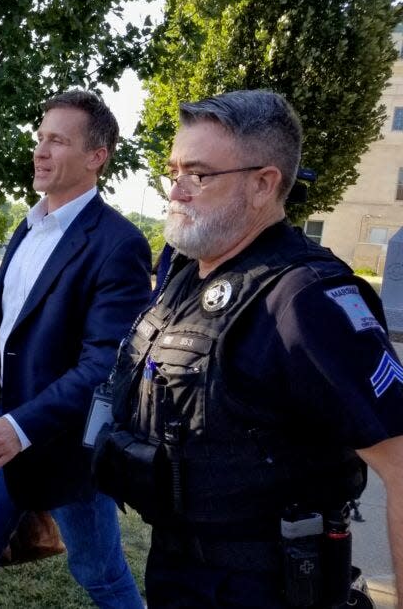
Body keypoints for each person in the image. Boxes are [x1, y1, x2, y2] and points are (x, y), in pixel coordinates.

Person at [92, 89, 403, 607]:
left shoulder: (305, 298)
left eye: (199, 174)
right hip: (179, 572)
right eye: (174, 172)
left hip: (266, 587)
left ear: (264, 184)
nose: (177, 190)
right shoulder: (187, 276)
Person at [0, 90, 151, 609]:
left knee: (99, 572)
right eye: (40, 138)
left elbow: (106, 364)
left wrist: (24, 425)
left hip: (66, 444)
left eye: (58, 141)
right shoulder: (27, 227)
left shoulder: (119, 244)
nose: (40, 152)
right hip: (1, 428)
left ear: (97, 156)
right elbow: (10, 330)